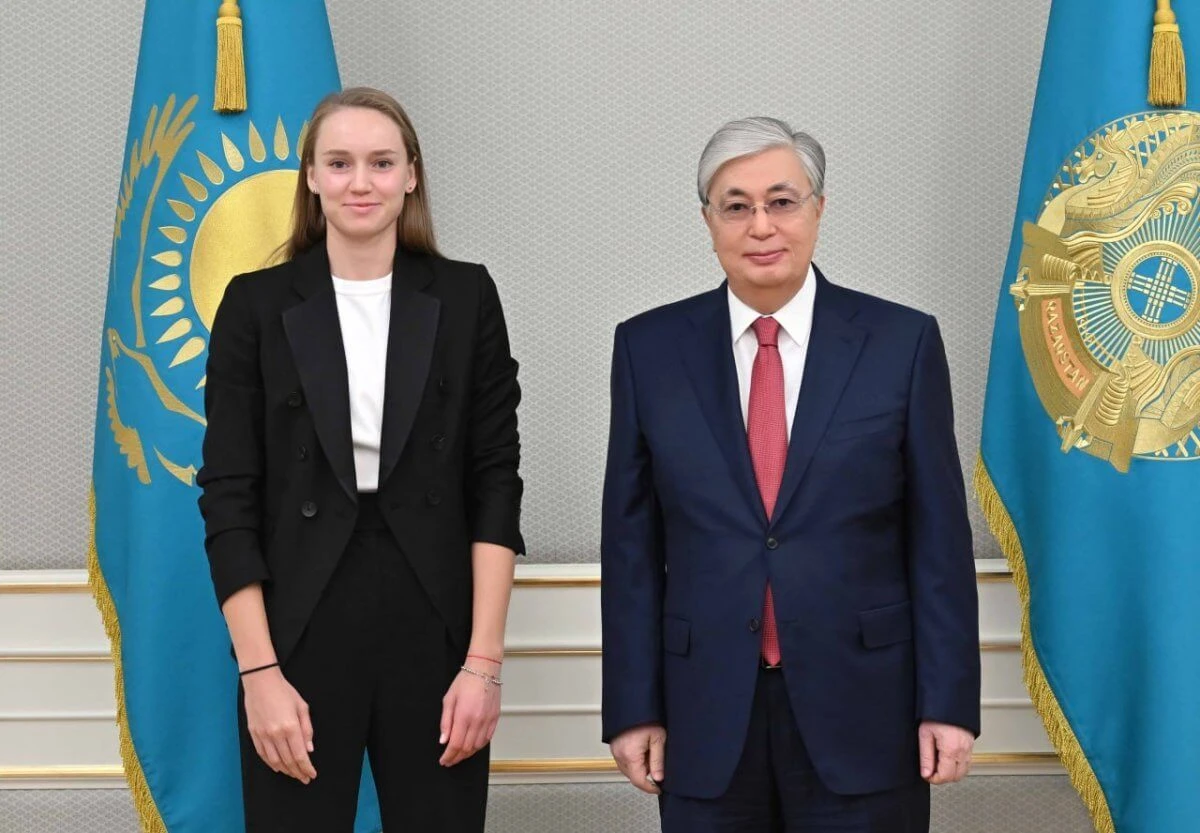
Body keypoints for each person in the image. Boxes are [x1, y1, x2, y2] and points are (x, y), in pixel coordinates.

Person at [600, 116, 980, 832]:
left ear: (818, 209)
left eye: (782, 201)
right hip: (704, 712)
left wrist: (949, 703)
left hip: (868, 710)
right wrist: (632, 706)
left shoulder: (901, 342)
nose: (761, 226)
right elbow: (630, 548)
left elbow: (938, 541)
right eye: (736, 205)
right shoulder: (647, 349)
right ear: (708, 221)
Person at [197, 87, 523, 833]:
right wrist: (259, 673)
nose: (360, 182)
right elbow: (228, 497)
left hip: (435, 621)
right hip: (296, 622)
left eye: (381, 162)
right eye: (339, 163)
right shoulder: (254, 304)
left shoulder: (467, 296)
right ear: (311, 177)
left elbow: (495, 484)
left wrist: (482, 665)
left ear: (411, 174)